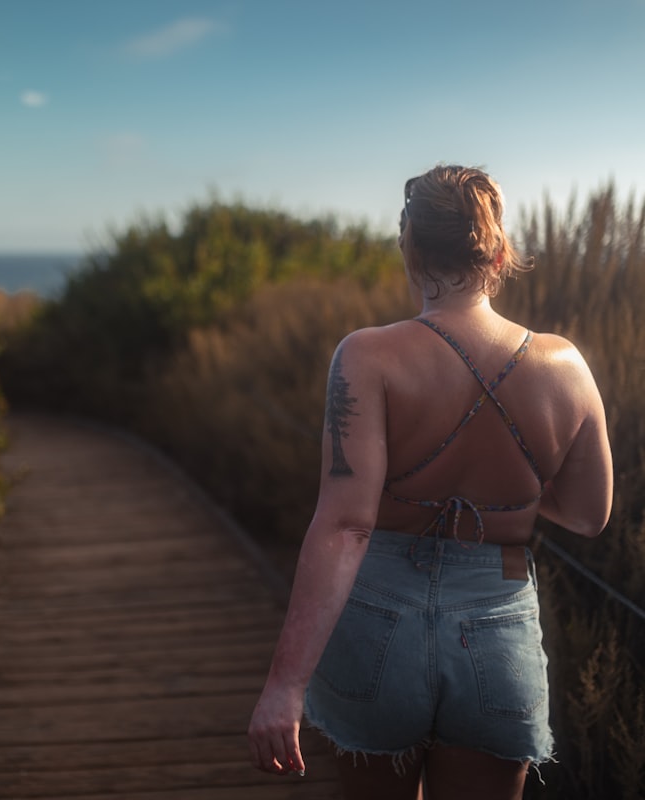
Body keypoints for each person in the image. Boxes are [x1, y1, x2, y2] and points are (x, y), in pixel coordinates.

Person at [247, 165, 613, 800]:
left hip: (376, 617)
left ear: (408, 248)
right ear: (500, 252)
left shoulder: (367, 356)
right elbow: (588, 514)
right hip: (497, 621)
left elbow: (346, 523)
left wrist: (284, 686)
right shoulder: (566, 365)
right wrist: (508, 491)